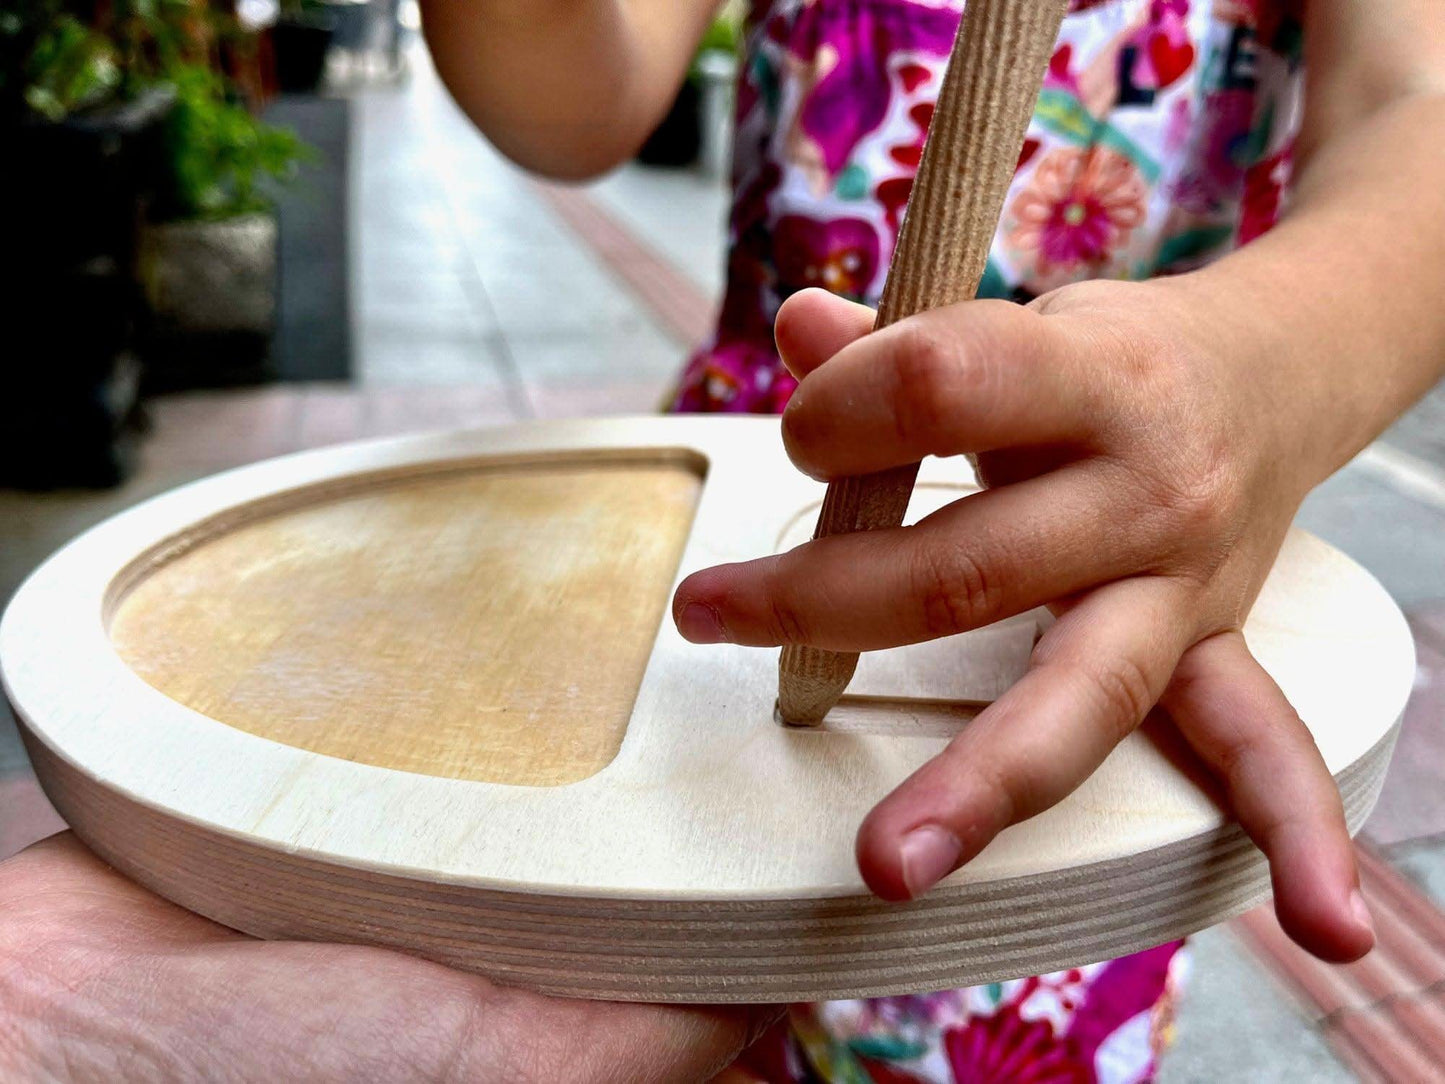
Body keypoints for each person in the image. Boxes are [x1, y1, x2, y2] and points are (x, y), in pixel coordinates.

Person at [3, 0, 1443, 1080]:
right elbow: (575, 103)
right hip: (720, 527)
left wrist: (1259, 369)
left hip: (1089, 602)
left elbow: (1416, 102)